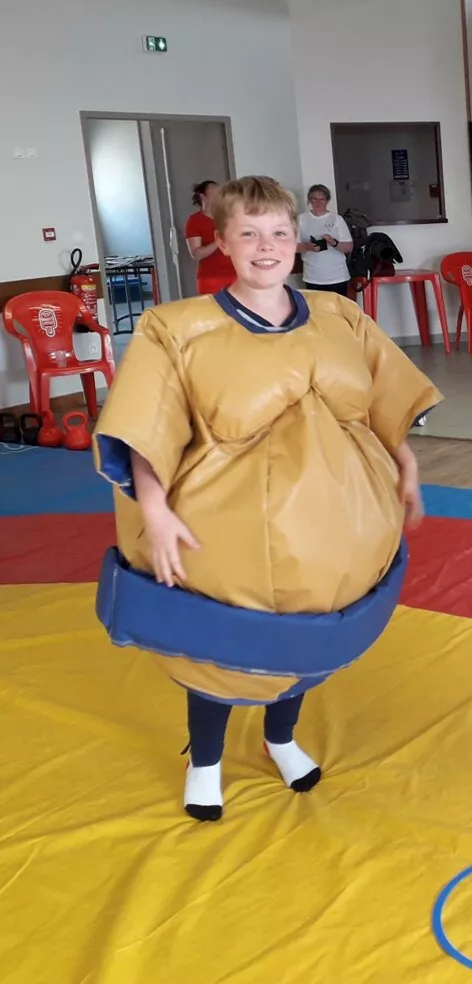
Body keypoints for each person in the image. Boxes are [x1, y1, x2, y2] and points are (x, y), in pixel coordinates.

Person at [93, 176, 442, 822]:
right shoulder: (177, 328)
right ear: (222, 240)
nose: (267, 246)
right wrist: (155, 511)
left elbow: (382, 400)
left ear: (298, 241)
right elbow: (147, 423)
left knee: (307, 643)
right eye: (249, 233)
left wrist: (407, 464)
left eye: (279, 233)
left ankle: (280, 741)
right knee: (223, 653)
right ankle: (205, 763)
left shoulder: (337, 315)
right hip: (225, 528)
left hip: (333, 529)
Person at [298, 183, 354, 295]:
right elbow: (292, 247)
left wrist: (333, 242)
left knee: (337, 311)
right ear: (309, 200)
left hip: (337, 276)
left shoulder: (337, 219)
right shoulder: (301, 219)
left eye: (322, 199)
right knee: (316, 311)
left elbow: (348, 247)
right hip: (312, 276)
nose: (318, 202)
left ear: (327, 201)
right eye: (314, 199)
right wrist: (307, 247)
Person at [184, 180, 236, 295]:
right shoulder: (194, 221)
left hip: (236, 278)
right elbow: (196, 254)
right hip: (210, 280)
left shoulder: (229, 217)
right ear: (203, 197)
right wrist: (218, 241)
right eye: (215, 193)